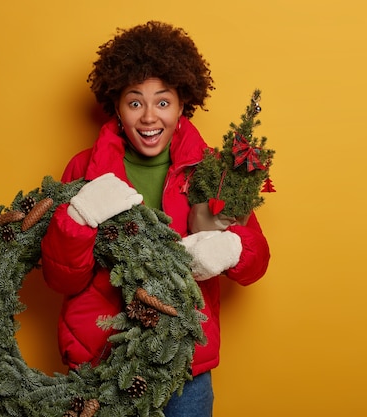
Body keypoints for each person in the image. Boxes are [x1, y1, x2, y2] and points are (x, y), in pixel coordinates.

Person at [41, 21, 270, 417]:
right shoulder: (84, 169)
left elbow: (256, 262)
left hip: (184, 365)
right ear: (116, 105)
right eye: (135, 102)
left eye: (162, 102)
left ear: (183, 104)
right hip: (100, 362)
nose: (149, 117)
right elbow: (61, 278)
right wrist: (78, 219)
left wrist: (232, 248)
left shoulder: (212, 171)